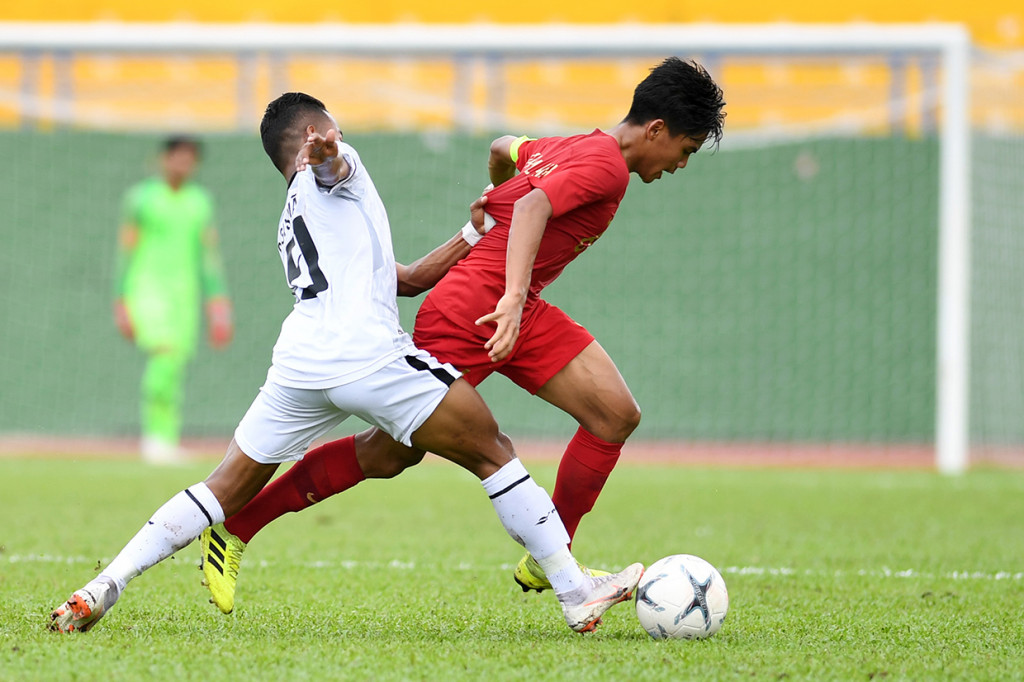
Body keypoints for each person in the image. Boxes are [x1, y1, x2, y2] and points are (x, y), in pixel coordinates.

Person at [49, 92, 642, 636]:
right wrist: (329, 154)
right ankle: (575, 592)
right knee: (493, 451)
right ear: (315, 131)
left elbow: (405, 279)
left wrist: (471, 232)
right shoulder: (335, 165)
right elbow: (335, 165)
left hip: (300, 366)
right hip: (368, 356)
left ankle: (103, 585)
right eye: (332, 130)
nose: (340, 139)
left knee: (222, 486)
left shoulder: (293, 215)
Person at [198, 57, 725, 613]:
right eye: (686, 150)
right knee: (389, 454)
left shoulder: (570, 145)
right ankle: (236, 527)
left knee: (615, 414)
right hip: (471, 312)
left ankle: (553, 555)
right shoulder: (607, 167)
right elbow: (535, 204)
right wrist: (512, 293)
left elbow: (503, 148)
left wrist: (497, 202)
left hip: (513, 307)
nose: (680, 165)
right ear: (657, 129)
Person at [115, 135, 234, 464]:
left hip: (184, 294)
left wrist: (218, 303)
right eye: (177, 157)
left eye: (189, 158)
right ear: (163, 159)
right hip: (146, 288)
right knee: (164, 355)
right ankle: (155, 438)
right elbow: (125, 250)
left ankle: (165, 437)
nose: (183, 164)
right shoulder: (141, 199)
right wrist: (120, 299)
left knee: (175, 363)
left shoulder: (200, 202)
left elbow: (209, 257)